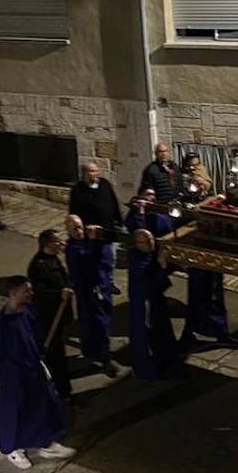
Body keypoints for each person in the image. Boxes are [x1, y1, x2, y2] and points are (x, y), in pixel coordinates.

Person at [0, 275, 76, 470]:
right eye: (27, 290)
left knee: (45, 404)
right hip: (14, 375)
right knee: (13, 411)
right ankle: (12, 448)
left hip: (33, 368)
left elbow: (35, 335)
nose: (31, 293)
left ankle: (46, 442)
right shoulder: (1, 325)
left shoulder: (26, 311)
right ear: (14, 293)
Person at [65, 215, 118, 378]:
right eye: (74, 229)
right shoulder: (73, 248)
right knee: (97, 322)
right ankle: (103, 356)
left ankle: (93, 351)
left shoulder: (87, 242)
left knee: (100, 320)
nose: (79, 231)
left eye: (80, 227)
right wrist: (94, 242)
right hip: (89, 290)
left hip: (101, 286)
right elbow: (87, 261)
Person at [126, 228, 179, 379]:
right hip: (145, 303)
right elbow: (150, 284)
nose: (150, 244)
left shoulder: (150, 253)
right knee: (150, 337)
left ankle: (167, 363)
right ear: (137, 244)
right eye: (145, 242)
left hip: (155, 300)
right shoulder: (137, 261)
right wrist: (162, 266)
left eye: (151, 240)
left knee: (162, 332)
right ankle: (152, 371)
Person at [27, 229, 75, 400]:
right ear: (47, 244)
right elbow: (40, 293)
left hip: (58, 314)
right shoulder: (38, 266)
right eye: (57, 241)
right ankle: (62, 392)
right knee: (55, 355)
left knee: (56, 352)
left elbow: (63, 278)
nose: (60, 244)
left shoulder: (54, 259)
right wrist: (59, 294)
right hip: (47, 317)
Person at [68, 162, 122, 238]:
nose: (97, 174)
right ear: (85, 173)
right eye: (93, 171)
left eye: (97, 171)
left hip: (107, 228)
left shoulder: (105, 183)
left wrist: (119, 220)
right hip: (90, 231)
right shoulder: (78, 190)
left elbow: (114, 201)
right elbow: (74, 211)